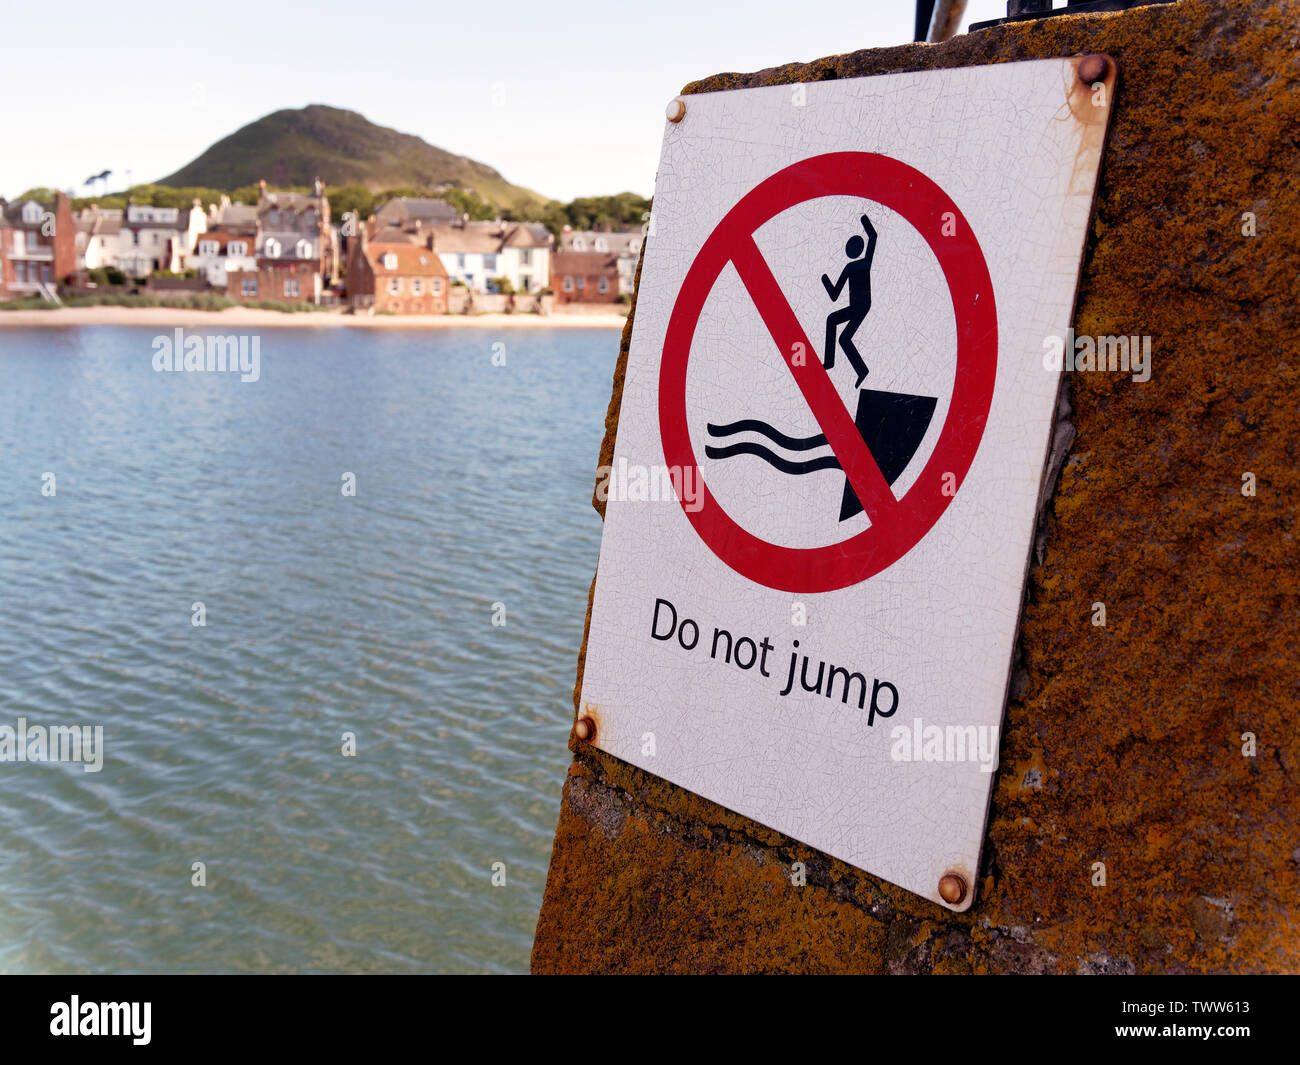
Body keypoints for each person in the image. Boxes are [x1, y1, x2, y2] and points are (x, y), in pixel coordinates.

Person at [821, 214, 877, 388]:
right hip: (858, 306)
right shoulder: (852, 266)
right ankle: (858, 370)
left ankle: (834, 364)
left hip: (861, 306)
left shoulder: (863, 263)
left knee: (840, 333)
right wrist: (826, 281)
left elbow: (873, 237)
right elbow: (835, 295)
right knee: (843, 337)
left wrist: (865, 219)